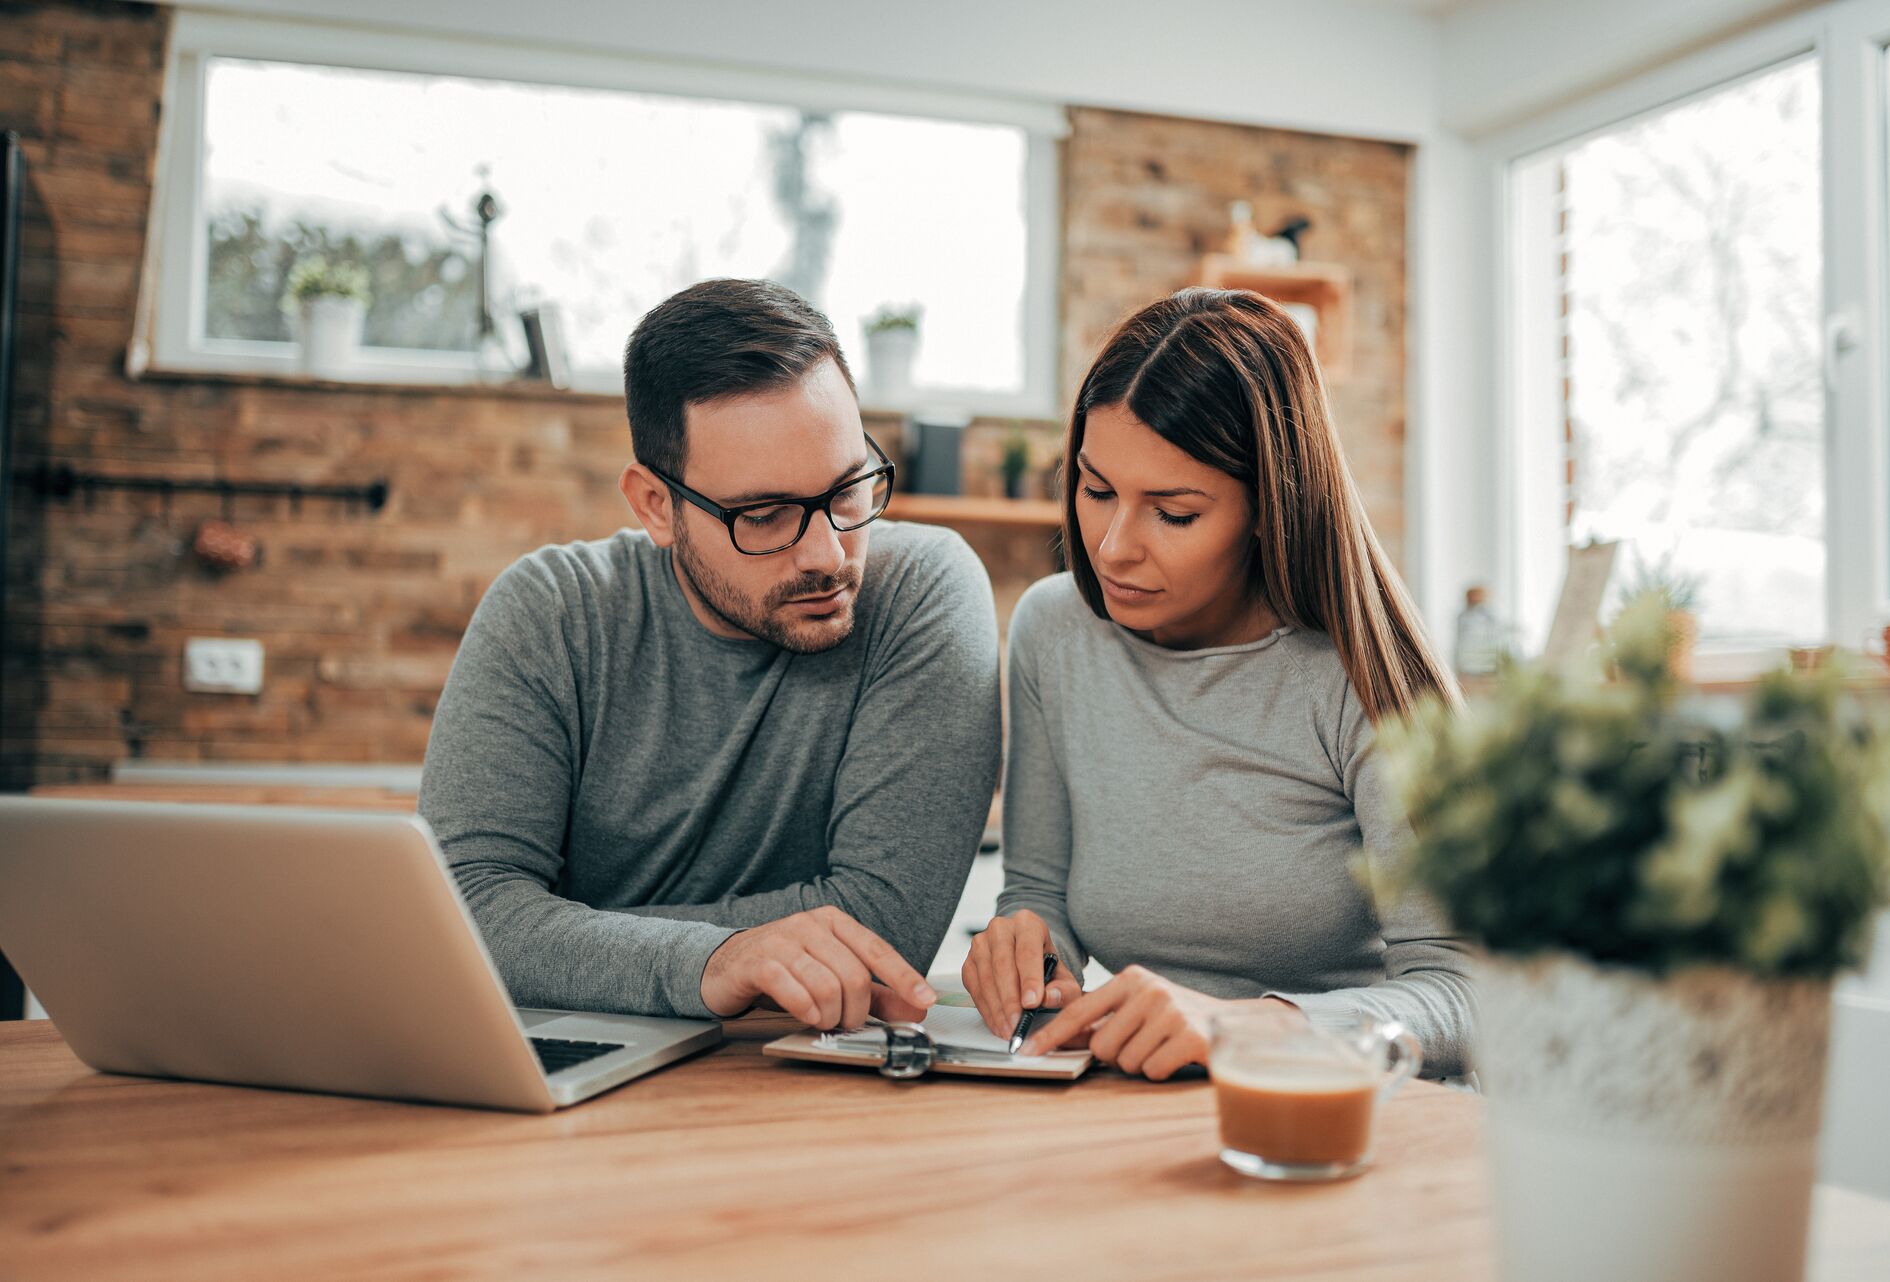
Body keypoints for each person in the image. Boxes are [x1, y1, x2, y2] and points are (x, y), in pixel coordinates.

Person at [421, 279, 1001, 1032]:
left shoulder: (922, 592)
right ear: (657, 506)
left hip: (803, 1079)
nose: (829, 554)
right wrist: (712, 960)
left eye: (850, 489)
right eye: (764, 516)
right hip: (568, 1065)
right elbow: (463, 913)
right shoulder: (552, 613)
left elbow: (883, 929)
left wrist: (566, 936)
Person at [963, 287, 1473, 1079]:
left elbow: (1464, 994)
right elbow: (1039, 892)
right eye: (1096, 491)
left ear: (1271, 508)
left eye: (1173, 513)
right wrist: (1029, 950)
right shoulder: (1053, 633)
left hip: (1344, 1119)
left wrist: (1247, 1029)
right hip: (1146, 1110)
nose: (1113, 548)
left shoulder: (1366, 676)